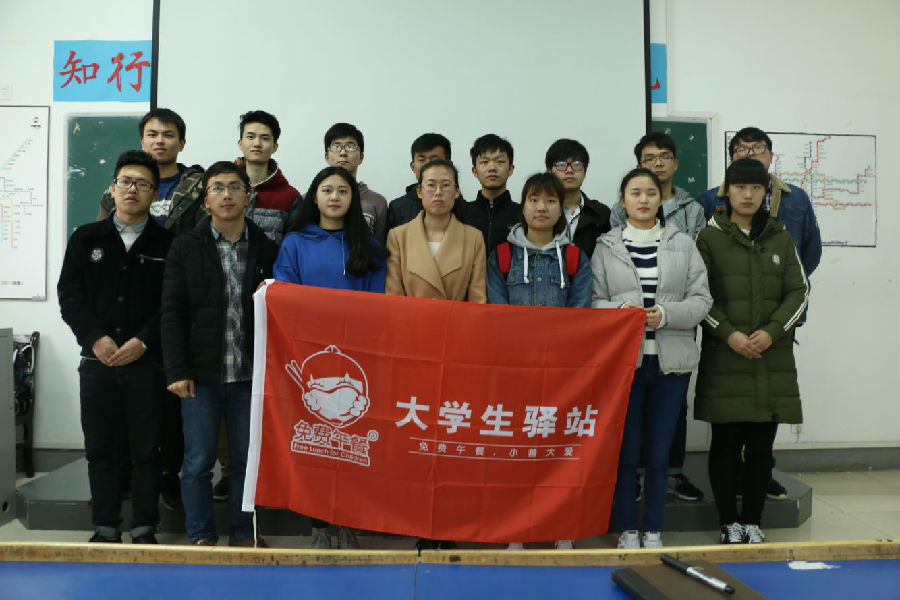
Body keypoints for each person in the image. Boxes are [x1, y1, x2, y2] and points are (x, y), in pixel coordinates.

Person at [696, 126, 821, 500]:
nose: (747, 194)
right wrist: (728, 331)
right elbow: (699, 286)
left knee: (763, 428)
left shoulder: (792, 206)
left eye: (758, 148)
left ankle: (757, 491)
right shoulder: (708, 212)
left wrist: (775, 322)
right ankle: (730, 508)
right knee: (727, 434)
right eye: (741, 149)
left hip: (773, 330)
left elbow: (808, 259)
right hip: (726, 336)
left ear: (770, 156)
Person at [591, 168, 712, 549]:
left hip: (670, 365)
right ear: (622, 200)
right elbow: (592, 302)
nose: (643, 199)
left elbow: (702, 301)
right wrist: (620, 311)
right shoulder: (606, 246)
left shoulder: (683, 244)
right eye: (635, 193)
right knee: (626, 454)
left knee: (659, 456)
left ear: (662, 200)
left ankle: (654, 531)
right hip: (623, 367)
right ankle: (627, 529)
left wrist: (667, 314)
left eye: (651, 193)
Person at [59, 150, 174, 544]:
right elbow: (70, 295)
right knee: (101, 449)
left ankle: (144, 526)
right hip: (98, 363)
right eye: (126, 181)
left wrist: (144, 340)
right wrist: (94, 337)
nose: (132, 190)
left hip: (148, 365)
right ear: (112, 187)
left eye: (142, 184)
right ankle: (105, 526)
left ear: (154, 193)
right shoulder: (86, 238)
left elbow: (172, 303)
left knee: (147, 450)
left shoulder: (169, 243)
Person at [161, 161, 278, 547]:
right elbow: (172, 312)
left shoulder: (266, 248)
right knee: (197, 462)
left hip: (249, 377)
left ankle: (244, 533)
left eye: (234, 187)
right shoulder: (186, 247)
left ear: (248, 195)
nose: (226, 195)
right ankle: (201, 535)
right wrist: (177, 369)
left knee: (245, 461)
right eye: (217, 188)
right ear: (206, 200)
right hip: (200, 376)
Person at [96, 108, 204, 509]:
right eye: (153, 134)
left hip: (177, 307)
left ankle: (168, 477)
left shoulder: (198, 189)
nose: (160, 141)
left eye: (169, 134)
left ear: (182, 142)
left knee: (172, 403)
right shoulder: (114, 191)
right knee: (122, 405)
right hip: (125, 309)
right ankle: (123, 477)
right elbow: (102, 248)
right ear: (142, 139)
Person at [274, 166, 385, 549]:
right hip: (309, 358)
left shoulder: (369, 246)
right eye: (327, 190)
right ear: (314, 197)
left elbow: (376, 303)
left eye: (342, 190)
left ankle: (348, 522)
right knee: (316, 446)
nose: (334, 197)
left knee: (352, 446)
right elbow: (286, 295)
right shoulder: (295, 243)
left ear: (353, 199)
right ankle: (319, 525)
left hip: (357, 360)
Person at [485, 172, 591, 551]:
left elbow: (580, 315)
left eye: (550, 201)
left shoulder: (576, 257)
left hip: (563, 373)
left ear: (561, 208)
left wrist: (554, 352)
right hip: (516, 372)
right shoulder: (501, 255)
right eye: (534, 200)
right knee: (517, 451)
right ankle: (517, 529)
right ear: (523, 206)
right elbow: (498, 314)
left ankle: (562, 527)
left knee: (560, 450)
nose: (541, 208)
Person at [614, 132, 707, 504]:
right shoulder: (616, 218)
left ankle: (672, 472)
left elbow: (697, 268)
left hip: (675, 323)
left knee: (674, 406)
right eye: (649, 158)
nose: (657, 163)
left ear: (675, 163)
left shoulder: (692, 210)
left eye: (664, 156)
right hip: (631, 339)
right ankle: (633, 478)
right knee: (630, 412)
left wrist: (669, 311)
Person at [386, 158, 486, 303]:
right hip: (411, 317)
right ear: (419, 191)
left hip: (456, 317)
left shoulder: (473, 238)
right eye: (431, 185)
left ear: (456, 191)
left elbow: (477, 299)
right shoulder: (398, 237)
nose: (438, 192)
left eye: (445, 185)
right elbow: (394, 298)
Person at [235, 110, 301, 245]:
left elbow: (294, 248)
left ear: (275, 147)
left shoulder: (290, 196)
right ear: (240, 143)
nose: (257, 143)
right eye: (250, 137)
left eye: (265, 138)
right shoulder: (224, 189)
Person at [323, 122, 388, 246]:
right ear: (327, 156)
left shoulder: (377, 202)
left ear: (361, 157)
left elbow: (379, 248)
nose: (343, 152)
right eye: (336, 146)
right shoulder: (311, 198)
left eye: (350, 147)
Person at [545, 138, 611, 258]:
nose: (569, 170)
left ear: (585, 172)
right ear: (549, 172)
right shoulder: (540, 211)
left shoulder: (601, 213)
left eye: (576, 164)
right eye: (561, 165)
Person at [387, 133, 453, 230]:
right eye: (422, 160)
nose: (428, 165)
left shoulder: (461, 206)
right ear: (412, 166)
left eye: (435, 160)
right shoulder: (398, 208)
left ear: (449, 165)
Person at [466, 134, 518, 256]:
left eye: (500, 161)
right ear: (474, 171)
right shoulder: (462, 213)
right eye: (484, 162)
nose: (492, 168)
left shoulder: (523, 214)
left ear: (511, 169)